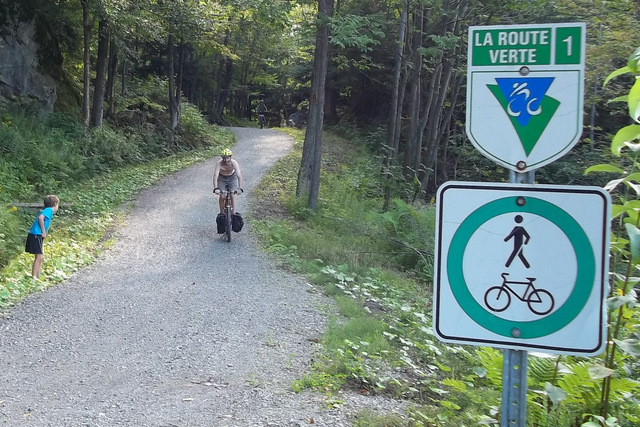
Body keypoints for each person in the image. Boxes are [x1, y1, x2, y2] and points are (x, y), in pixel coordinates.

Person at [25, 195, 60, 279]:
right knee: (39, 257)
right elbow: (41, 218)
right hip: (36, 234)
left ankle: (37, 276)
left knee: (40, 257)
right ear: (55, 204)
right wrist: (43, 231)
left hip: (35, 234)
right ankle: (34, 277)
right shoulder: (49, 210)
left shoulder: (46, 210)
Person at [213, 148, 244, 216]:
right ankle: (222, 213)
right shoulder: (219, 163)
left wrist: (240, 188)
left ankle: (233, 213)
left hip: (232, 178)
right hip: (221, 178)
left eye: (227, 158)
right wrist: (216, 188)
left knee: (233, 195)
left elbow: (239, 176)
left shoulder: (234, 163)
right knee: (222, 196)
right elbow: (215, 176)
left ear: (230, 157)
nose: (225, 160)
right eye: (224, 158)